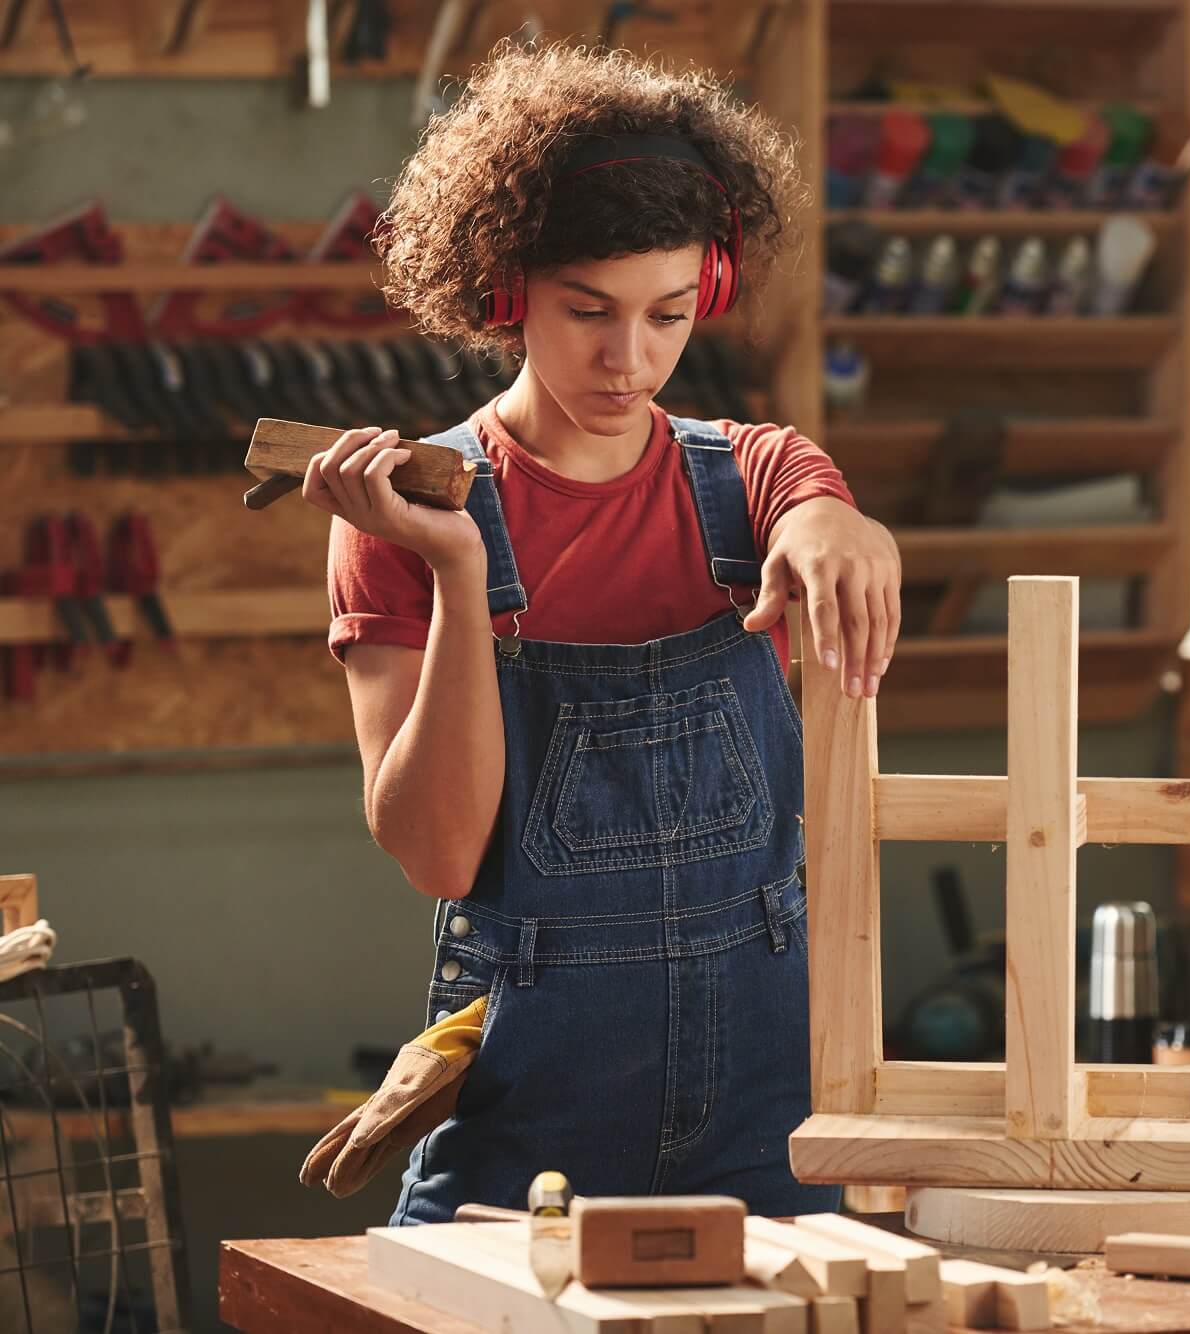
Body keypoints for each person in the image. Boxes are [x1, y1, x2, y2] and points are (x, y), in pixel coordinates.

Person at [303, 40, 898, 1223]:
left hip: (768, 1112)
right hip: (531, 1112)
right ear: (508, 286)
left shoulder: (754, 474)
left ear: (709, 294)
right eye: (587, 311)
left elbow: (828, 518)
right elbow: (433, 853)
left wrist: (837, 523)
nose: (627, 359)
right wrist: (461, 577)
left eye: (667, 314)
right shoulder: (414, 515)